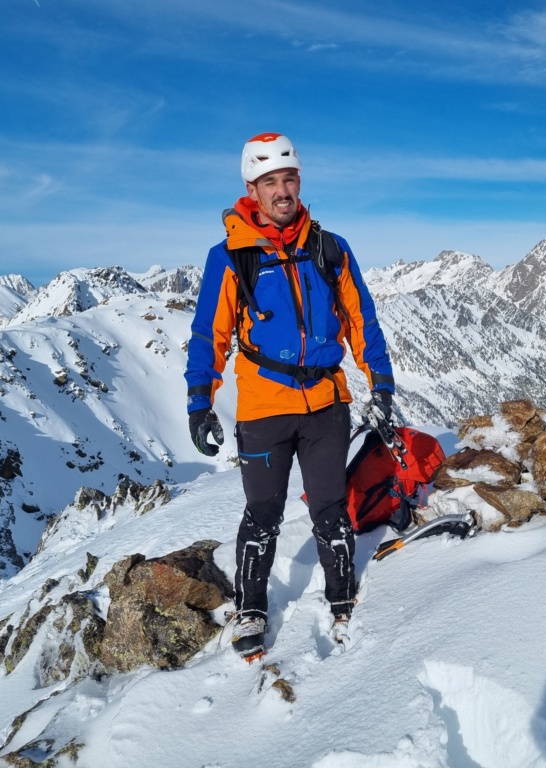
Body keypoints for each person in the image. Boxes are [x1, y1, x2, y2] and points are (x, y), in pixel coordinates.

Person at [185, 132, 396, 662]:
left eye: (290, 179)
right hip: (263, 407)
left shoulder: (329, 248)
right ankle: (251, 606)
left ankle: (342, 592)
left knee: (329, 506)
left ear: (300, 182)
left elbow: (359, 321)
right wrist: (199, 399)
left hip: (325, 401)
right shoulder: (231, 257)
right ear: (251, 189)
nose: (282, 191)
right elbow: (208, 332)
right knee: (262, 512)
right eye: (270, 182)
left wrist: (382, 383)